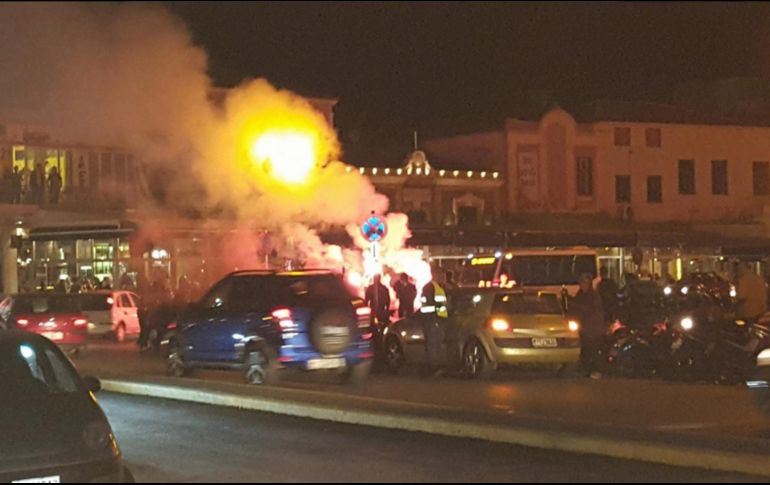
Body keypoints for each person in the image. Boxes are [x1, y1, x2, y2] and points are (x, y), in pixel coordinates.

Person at [571, 273, 606, 379]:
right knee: (586, 350)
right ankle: (587, 369)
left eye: (584, 283)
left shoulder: (593, 295)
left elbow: (592, 310)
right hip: (584, 327)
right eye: (581, 283)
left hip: (593, 328)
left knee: (593, 350)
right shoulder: (581, 294)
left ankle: (597, 370)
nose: (582, 285)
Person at [420, 268, 450, 376]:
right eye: (442, 275)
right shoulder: (430, 288)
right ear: (435, 275)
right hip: (433, 320)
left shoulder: (438, 287)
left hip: (437, 320)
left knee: (436, 344)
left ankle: (436, 367)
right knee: (433, 344)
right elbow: (429, 306)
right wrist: (434, 319)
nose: (443, 277)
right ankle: (433, 368)